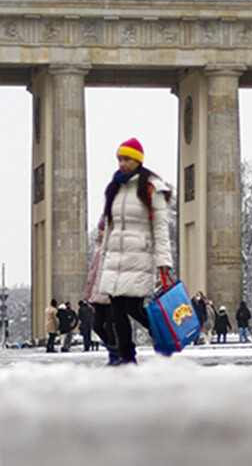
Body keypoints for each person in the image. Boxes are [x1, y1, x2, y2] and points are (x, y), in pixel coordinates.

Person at [92, 137, 174, 365]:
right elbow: (109, 223)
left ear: (138, 160)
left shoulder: (151, 188)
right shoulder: (114, 188)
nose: (122, 163)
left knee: (133, 307)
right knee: (117, 309)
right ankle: (127, 357)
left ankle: (161, 334)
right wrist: (104, 253)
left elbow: (160, 226)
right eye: (119, 159)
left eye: (127, 159)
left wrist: (163, 261)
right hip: (116, 257)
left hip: (139, 254)